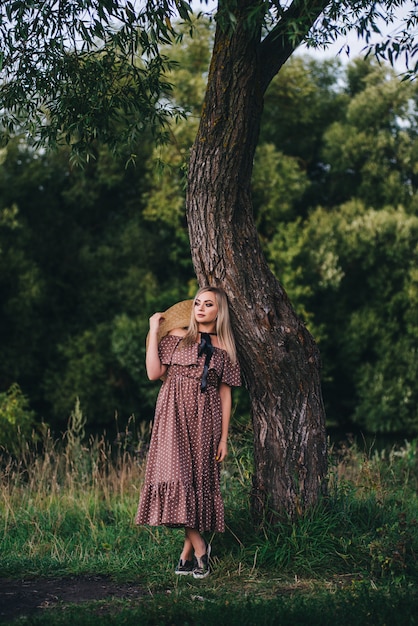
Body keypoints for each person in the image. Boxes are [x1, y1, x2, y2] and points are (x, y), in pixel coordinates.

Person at [136, 286, 241, 579]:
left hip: (205, 419)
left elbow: (225, 395)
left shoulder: (226, 348)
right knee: (176, 477)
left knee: (196, 481)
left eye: (208, 304)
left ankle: (185, 556)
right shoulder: (177, 338)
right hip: (173, 414)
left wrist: (223, 437)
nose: (201, 308)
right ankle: (200, 549)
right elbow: (153, 373)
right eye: (197, 303)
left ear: (219, 311)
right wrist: (154, 332)